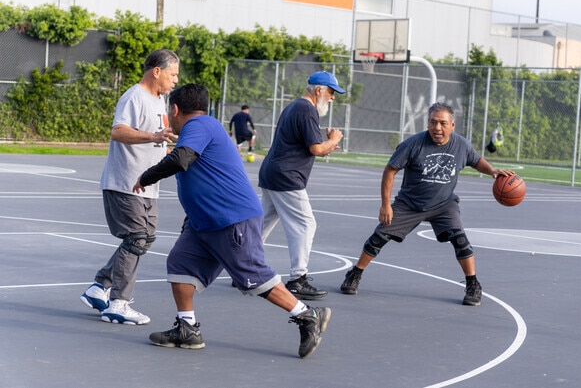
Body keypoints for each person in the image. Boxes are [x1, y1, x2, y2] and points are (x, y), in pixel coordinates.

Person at [132, 83, 331, 358]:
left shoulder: (199, 125)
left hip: (231, 218)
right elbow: (203, 176)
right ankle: (187, 328)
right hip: (204, 223)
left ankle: (307, 315)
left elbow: (181, 159)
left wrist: (146, 176)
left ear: (175, 109)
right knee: (179, 264)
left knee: (253, 277)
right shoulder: (204, 128)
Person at [340, 102, 514, 306]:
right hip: (410, 203)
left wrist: (493, 171)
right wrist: (385, 205)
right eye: (433, 122)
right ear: (428, 123)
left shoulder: (461, 145)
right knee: (379, 237)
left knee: (460, 240)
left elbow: (476, 161)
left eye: (442, 123)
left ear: (452, 125)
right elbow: (390, 170)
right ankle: (355, 273)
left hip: (444, 204)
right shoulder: (413, 144)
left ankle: (473, 284)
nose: (437, 128)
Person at [80, 49, 179, 325]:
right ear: (156, 71)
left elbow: (160, 138)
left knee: (145, 239)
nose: (175, 81)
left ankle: (100, 286)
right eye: (173, 74)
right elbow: (117, 131)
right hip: (126, 183)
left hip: (148, 185)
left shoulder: (160, 101)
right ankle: (119, 304)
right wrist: (153, 136)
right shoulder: (134, 96)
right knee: (136, 238)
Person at [259, 71, 345, 300]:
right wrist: (334, 140)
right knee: (305, 225)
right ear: (319, 90)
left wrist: (327, 145)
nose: (333, 98)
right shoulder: (307, 110)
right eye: (331, 92)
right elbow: (316, 149)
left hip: (273, 173)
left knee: (262, 224)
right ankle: (298, 278)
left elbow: (313, 146)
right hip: (287, 177)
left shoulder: (295, 107)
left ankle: (245, 269)